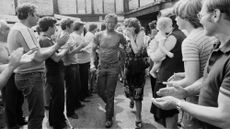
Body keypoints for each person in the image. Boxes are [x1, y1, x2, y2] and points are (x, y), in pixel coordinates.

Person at [152, 0, 230, 128]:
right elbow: (207, 78)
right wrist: (185, 92)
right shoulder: (217, 45)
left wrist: (177, 102)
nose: (200, 21)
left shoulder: (193, 41)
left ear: (215, 15)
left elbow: (225, 117)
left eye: (201, 15)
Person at [7, 3, 68, 128]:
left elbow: (38, 53)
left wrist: (57, 45)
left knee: (36, 113)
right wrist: (58, 45)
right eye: (36, 14)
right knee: (37, 115)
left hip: (26, 75)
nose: (38, 17)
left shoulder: (19, 29)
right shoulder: (23, 30)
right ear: (29, 14)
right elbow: (39, 57)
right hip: (30, 75)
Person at [149, 14, 186, 129]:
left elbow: (156, 57)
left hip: (167, 77)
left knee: (168, 112)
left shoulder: (172, 37)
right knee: (172, 112)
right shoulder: (182, 34)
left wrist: (149, 51)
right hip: (175, 73)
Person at [91, 14, 127, 128]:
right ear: (105, 22)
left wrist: (122, 63)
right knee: (99, 91)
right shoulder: (98, 35)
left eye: (113, 22)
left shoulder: (120, 35)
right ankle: (109, 106)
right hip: (101, 66)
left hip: (113, 67)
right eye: (108, 22)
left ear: (116, 23)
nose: (110, 24)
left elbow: (126, 48)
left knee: (110, 93)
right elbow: (92, 50)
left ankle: (108, 117)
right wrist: (92, 63)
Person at [38, 17, 70, 129]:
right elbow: (56, 58)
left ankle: (56, 120)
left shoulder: (46, 38)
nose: (56, 28)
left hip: (53, 72)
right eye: (54, 26)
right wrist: (66, 48)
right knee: (58, 99)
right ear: (50, 26)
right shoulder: (45, 40)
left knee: (55, 99)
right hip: (54, 72)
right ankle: (58, 123)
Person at [123, 17, 149, 129]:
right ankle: (131, 99)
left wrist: (130, 37)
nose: (127, 28)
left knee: (138, 93)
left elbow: (137, 51)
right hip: (128, 66)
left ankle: (138, 117)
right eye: (126, 26)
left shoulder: (141, 34)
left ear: (134, 27)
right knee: (128, 88)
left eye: (129, 26)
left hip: (138, 68)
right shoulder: (126, 35)